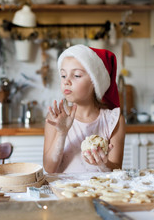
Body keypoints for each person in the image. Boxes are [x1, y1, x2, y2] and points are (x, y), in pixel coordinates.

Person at [43, 44, 125, 173]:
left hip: (100, 191)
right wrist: (61, 133)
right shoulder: (57, 118)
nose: (66, 81)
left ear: (95, 81)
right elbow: (49, 169)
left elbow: (116, 169)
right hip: (63, 191)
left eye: (76, 75)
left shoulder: (113, 120)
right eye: (63, 75)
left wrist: (103, 164)